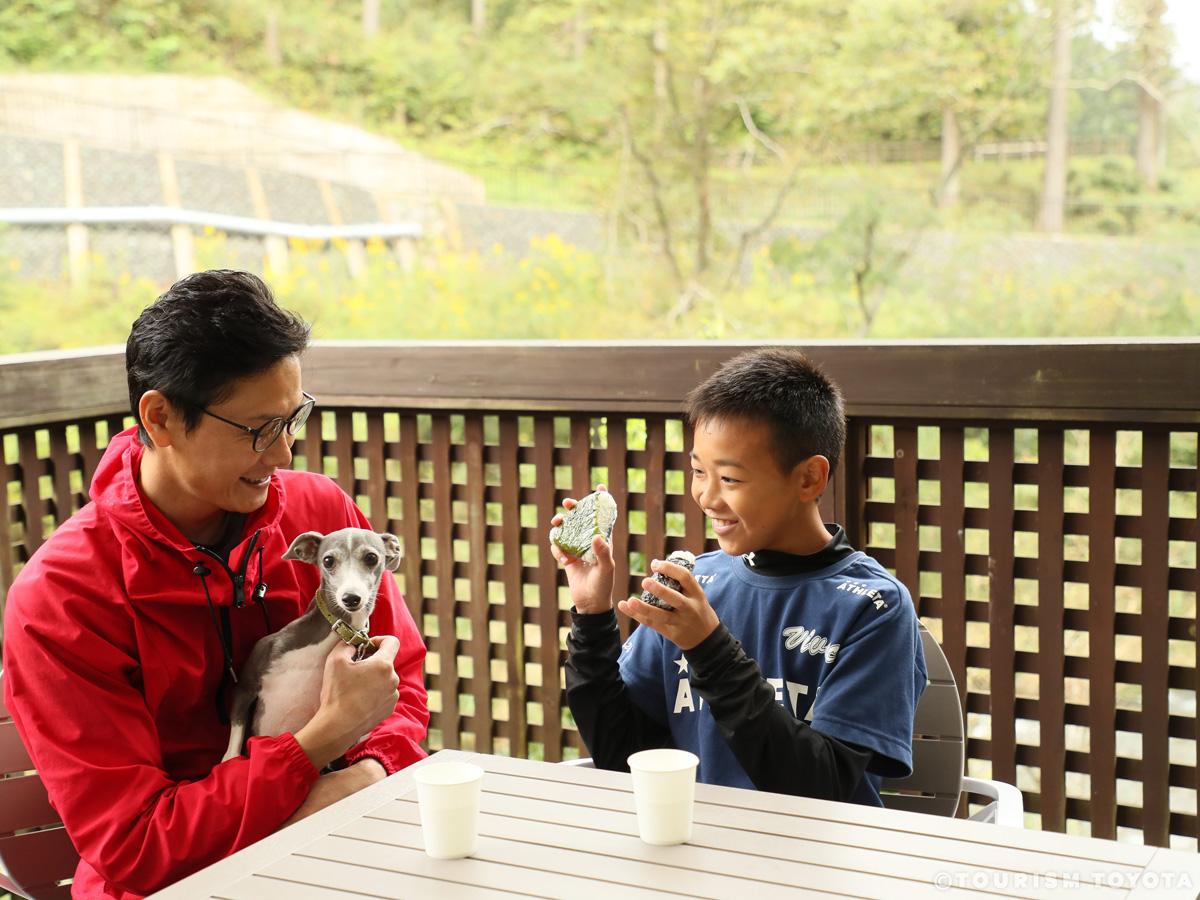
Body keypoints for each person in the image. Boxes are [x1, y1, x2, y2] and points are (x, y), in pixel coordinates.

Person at [1, 270, 429, 897]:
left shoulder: (322, 516)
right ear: (162, 417)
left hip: (342, 855)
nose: (283, 454)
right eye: (259, 429)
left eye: (293, 419)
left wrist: (369, 768)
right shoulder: (63, 597)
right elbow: (136, 845)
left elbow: (401, 684)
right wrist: (323, 748)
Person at [557, 348, 926, 805]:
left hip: (816, 867)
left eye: (730, 479)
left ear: (809, 478)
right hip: (693, 854)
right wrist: (592, 617)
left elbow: (824, 787)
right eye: (697, 472)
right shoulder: (695, 587)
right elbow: (624, 755)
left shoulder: (871, 607)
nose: (706, 497)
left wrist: (709, 648)